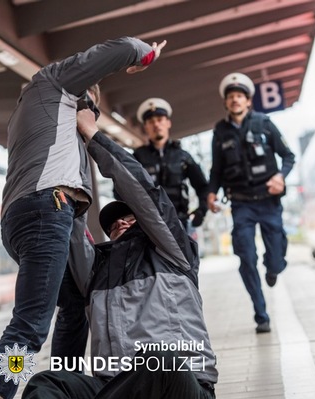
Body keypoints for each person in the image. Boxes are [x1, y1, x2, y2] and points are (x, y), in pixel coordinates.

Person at [0, 37, 167, 399]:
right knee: (31, 324)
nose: (89, 110)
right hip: (48, 210)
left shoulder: (32, 116)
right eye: (88, 99)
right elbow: (119, 48)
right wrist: (146, 54)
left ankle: (64, 386)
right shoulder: (54, 82)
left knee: (73, 304)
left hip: (31, 217)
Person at [20, 107, 218, 399]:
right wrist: (61, 137)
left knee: (161, 360)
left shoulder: (174, 253)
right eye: (112, 223)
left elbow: (144, 193)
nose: (120, 222)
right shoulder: (95, 269)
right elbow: (72, 220)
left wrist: (93, 136)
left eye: (129, 217)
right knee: (48, 383)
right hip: (115, 388)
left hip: (178, 385)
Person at [206, 72, 295, 334]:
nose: (235, 100)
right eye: (231, 97)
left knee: (276, 258)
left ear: (248, 101)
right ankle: (261, 314)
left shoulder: (265, 124)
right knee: (246, 256)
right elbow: (217, 171)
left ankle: (274, 266)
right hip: (242, 204)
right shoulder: (220, 133)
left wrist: (281, 176)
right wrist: (211, 193)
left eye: (240, 96)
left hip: (268, 201)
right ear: (226, 103)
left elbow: (288, 156)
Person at [128, 98, 208, 231]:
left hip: (179, 222)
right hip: (148, 225)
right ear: (146, 127)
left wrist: (202, 210)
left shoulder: (183, 157)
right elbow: (123, 189)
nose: (156, 125)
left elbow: (202, 186)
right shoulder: (137, 158)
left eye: (160, 120)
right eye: (151, 121)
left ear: (168, 123)